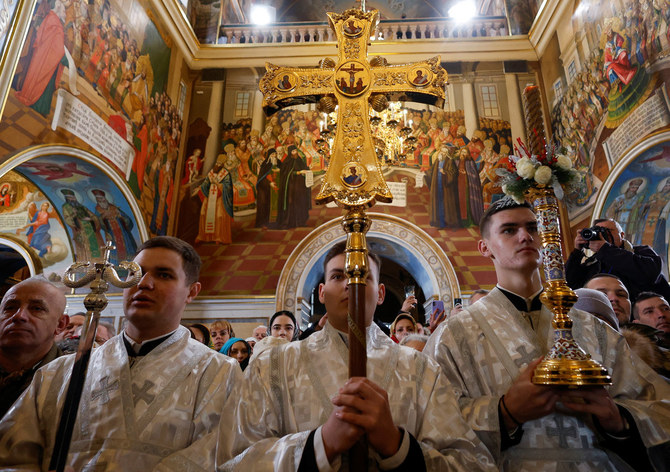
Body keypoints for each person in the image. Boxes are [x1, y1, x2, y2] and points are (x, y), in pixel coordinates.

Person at [424, 198, 670, 470]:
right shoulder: (454, 334)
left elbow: (658, 404)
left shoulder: (592, 327)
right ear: (485, 247)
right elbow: (434, 421)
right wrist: (504, 413)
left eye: (533, 227)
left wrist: (618, 419)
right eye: (509, 230)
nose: (525, 236)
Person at [216, 241, 496, 470]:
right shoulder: (272, 366)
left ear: (381, 293)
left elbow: (471, 463)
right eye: (339, 275)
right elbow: (233, 460)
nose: (352, 283)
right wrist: (319, 445)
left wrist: (397, 446)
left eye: (363, 276)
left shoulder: (421, 368)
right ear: (322, 292)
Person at [0, 236, 242, 470]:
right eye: (134, 273)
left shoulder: (219, 373)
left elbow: (217, 457)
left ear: (192, 292)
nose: (144, 283)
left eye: (164, 275)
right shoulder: (56, 374)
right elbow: (11, 458)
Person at [0, 277, 68, 418]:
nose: (19, 316)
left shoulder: (72, 379)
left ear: (60, 324)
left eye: (37, 308)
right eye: (10, 307)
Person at [566, 218, 670, 302]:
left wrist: (605, 249)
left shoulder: (641, 251)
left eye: (607, 231)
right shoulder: (593, 263)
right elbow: (570, 286)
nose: (602, 234)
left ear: (622, 235)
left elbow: (649, 274)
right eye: (597, 231)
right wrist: (577, 252)